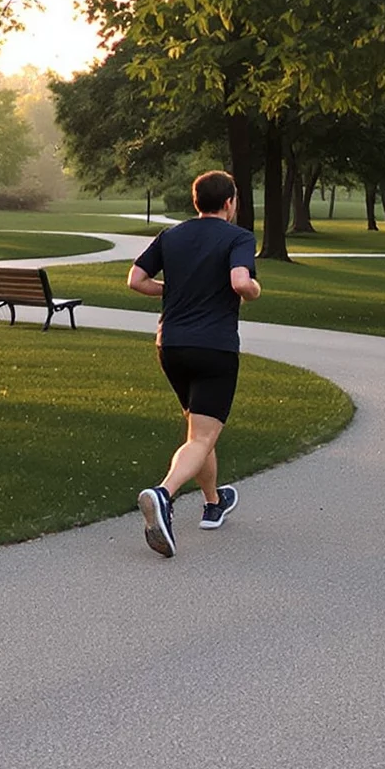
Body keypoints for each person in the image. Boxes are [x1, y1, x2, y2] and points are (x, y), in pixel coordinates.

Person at [131, 170, 261, 557]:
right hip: (214, 348)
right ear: (229, 202)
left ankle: (213, 502)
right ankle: (163, 494)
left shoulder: (172, 235)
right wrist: (254, 289)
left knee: (199, 430)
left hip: (170, 345)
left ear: (196, 202)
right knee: (203, 436)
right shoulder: (239, 237)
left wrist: (175, 291)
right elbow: (241, 283)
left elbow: (136, 280)